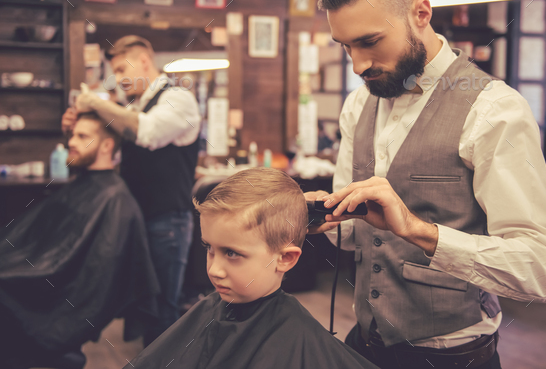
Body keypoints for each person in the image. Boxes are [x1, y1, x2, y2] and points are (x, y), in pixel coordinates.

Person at [304, 0, 546, 368]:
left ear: (421, 13)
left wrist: (416, 229)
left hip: (452, 355)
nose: (357, 65)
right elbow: (354, 232)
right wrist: (312, 217)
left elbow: (545, 270)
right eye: (346, 46)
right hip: (365, 345)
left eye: (370, 41)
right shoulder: (359, 104)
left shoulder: (493, 110)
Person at [123, 168, 379, 369]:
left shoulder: (296, 339)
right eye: (209, 248)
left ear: (286, 259)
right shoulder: (207, 312)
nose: (214, 269)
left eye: (232, 253)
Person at [62, 35, 201, 344]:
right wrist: (78, 127)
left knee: (164, 312)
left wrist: (97, 103)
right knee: (145, 307)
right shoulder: (132, 107)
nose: (119, 79)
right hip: (136, 220)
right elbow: (104, 150)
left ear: (143, 62)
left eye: (123, 70)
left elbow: (147, 131)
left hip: (168, 223)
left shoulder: (178, 99)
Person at [0, 113, 159, 369]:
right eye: (72, 134)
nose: (71, 142)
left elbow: (90, 277)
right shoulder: (86, 185)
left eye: (82, 136)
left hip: (57, 301)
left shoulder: (116, 200)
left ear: (107, 145)